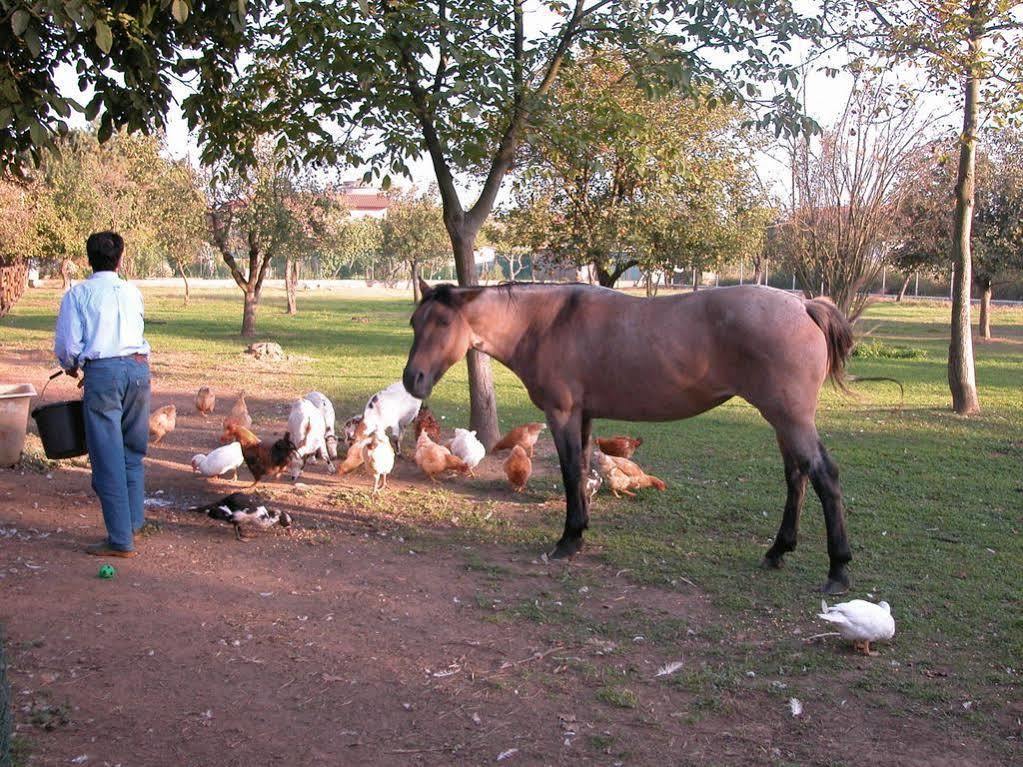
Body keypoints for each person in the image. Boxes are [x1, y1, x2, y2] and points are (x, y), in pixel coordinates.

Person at [54, 232, 152, 557]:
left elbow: (68, 347)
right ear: (121, 259)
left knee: (107, 457)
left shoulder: (78, 294)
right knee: (132, 451)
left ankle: (121, 540)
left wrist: (71, 366)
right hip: (138, 370)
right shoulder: (132, 292)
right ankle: (134, 522)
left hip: (104, 375)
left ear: (88, 259)